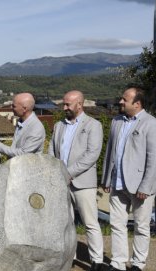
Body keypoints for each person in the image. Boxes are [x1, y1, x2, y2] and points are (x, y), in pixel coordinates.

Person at [102, 86, 156, 271]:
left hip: (140, 187)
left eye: (125, 99)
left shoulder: (152, 124)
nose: (120, 102)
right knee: (116, 224)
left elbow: (155, 158)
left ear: (137, 104)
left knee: (141, 226)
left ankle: (138, 264)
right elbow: (110, 151)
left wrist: (145, 186)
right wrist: (107, 178)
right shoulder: (116, 121)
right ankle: (118, 263)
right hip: (117, 183)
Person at [48, 90, 104, 271]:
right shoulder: (58, 125)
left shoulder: (93, 125)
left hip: (83, 182)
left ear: (79, 104)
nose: (64, 107)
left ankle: (96, 260)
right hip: (61, 182)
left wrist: (68, 172)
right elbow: (52, 151)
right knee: (65, 224)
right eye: (63, 104)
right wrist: (54, 172)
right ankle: (69, 258)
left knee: (90, 223)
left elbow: (91, 155)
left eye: (67, 104)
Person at [0, 92, 45, 158]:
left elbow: (23, 154)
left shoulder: (36, 128)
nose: (11, 107)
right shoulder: (21, 122)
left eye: (14, 106)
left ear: (24, 109)